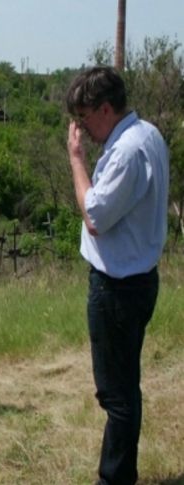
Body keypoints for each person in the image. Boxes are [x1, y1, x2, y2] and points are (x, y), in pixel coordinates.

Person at [66, 66, 169, 485]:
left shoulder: (127, 150)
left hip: (118, 289)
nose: (83, 130)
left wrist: (76, 160)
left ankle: (115, 479)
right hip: (138, 279)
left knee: (118, 396)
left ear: (105, 109)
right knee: (124, 387)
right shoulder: (148, 133)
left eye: (85, 118)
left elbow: (95, 216)